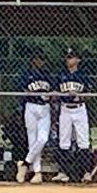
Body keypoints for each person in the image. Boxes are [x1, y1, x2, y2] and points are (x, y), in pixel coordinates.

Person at [53, 48, 90, 183]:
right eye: (68, 57)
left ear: (78, 60)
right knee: (64, 141)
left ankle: (86, 172)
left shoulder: (83, 75)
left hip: (79, 109)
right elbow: (55, 93)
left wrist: (79, 95)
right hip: (65, 109)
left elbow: (89, 94)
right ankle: (63, 172)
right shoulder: (61, 75)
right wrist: (61, 95)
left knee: (83, 140)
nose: (69, 60)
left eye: (72, 57)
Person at [15, 50, 53, 184]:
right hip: (30, 106)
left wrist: (48, 95)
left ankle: (25, 164)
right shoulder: (26, 75)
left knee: (43, 138)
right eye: (38, 59)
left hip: (44, 108)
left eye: (42, 59)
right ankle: (37, 173)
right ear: (33, 60)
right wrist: (32, 92)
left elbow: (52, 92)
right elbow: (21, 90)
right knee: (33, 140)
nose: (41, 62)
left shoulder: (47, 75)